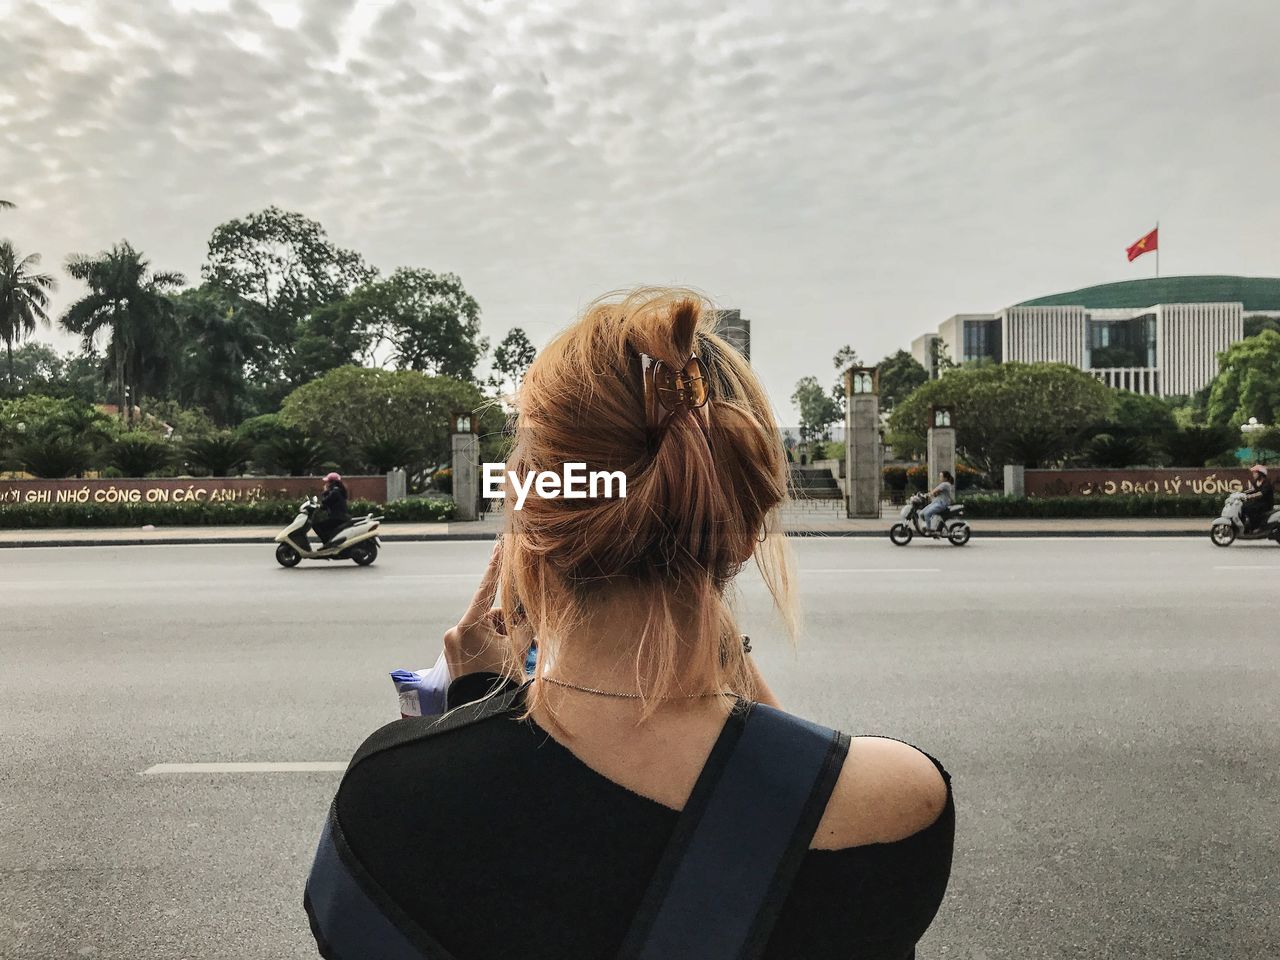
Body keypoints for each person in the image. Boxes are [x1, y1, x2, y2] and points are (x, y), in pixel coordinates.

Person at [304, 289, 954, 960]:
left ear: (531, 510)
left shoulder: (384, 796)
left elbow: (514, 834)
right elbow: (786, 791)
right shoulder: (900, 804)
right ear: (749, 523)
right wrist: (716, 638)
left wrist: (476, 710)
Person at [312, 472, 350, 544]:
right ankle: (330, 542)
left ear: (332, 482)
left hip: (337, 518)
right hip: (340, 517)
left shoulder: (335, 492)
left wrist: (325, 491)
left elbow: (325, 501)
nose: (326, 483)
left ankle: (327, 543)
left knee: (316, 526)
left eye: (327, 482)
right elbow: (327, 505)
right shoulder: (338, 490)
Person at [1241, 464, 1273, 531]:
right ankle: (1246, 525)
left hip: (1265, 504)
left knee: (1250, 508)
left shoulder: (1266, 483)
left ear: (1260, 474)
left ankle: (1256, 526)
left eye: (1255, 473)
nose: (1253, 475)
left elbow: (1261, 493)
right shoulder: (1256, 482)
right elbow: (1251, 490)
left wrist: (1250, 496)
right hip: (1258, 502)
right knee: (1243, 506)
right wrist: (1240, 494)